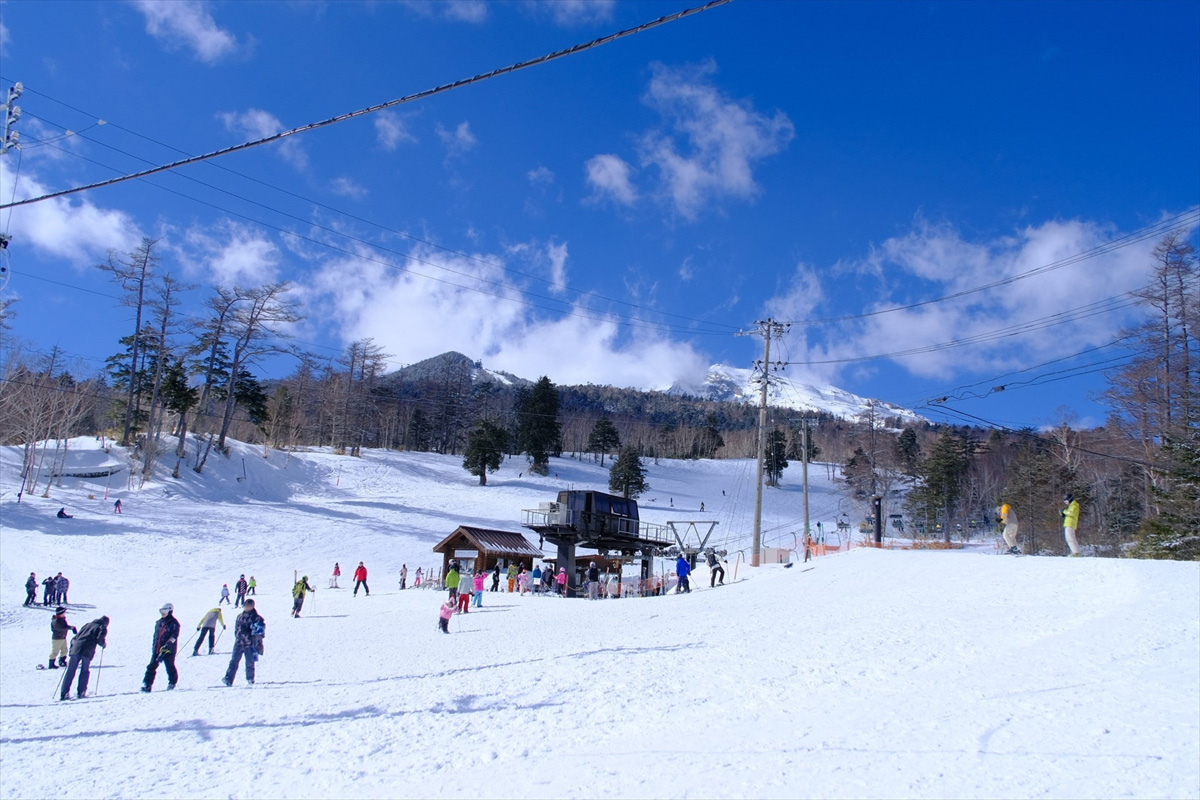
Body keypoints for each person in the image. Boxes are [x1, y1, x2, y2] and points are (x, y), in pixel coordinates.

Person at [60, 615, 109, 701]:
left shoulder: (87, 625)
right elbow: (100, 638)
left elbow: (76, 636)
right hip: (87, 650)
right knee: (84, 671)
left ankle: (64, 693)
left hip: (76, 648)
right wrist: (103, 644)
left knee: (70, 671)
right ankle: (81, 691)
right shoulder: (102, 627)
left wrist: (72, 649)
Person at [223, 598, 265, 687]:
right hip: (239, 642)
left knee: (249, 661)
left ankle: (250, 678)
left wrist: (254, 639)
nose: (246, 607)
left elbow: (260, 632)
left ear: (252, 606)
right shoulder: (240, 616)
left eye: (248, 606)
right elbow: (236, 628)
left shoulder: (256, 618)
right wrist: (237, 636)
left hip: (249, 643)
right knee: (234, 660)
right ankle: (228, 679)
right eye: (245, 606)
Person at [141, 602, 180, 692]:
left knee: (170, 666)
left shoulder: (174, 623)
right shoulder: (159, 622)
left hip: (168, 650)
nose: (163, 613)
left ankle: (172, 682)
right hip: (157, 649)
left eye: (165, 611)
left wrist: (168, 645)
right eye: (162, 611)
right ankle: (147, 684)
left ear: (170, 611)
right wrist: (154, 647)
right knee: (151, 666)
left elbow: (174, 636)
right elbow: (156, 636)